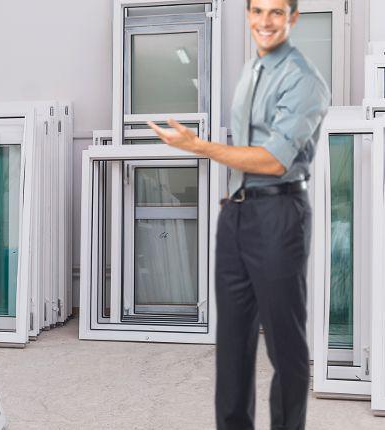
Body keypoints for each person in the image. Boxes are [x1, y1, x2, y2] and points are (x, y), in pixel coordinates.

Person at [148, 0, 330, 428]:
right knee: (232, 346)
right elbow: (248, 151)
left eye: (276, 12)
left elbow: (274, 160)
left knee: (284, 345)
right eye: (257, 11)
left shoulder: (304, 79)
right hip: (236, 215)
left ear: (293, 17)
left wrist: (199, 147)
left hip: (279, 215)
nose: (265, 21)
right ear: (248, 15)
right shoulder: (252, 71)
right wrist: (233, 199)